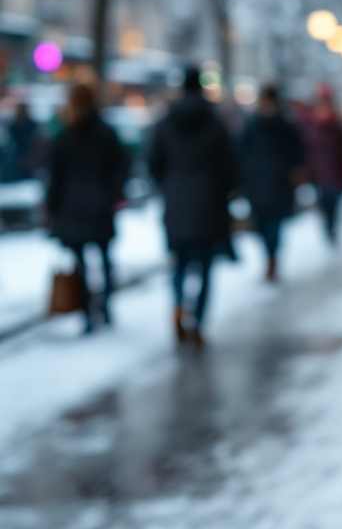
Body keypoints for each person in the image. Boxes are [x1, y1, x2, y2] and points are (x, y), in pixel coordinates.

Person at [147, 67, 238, 346]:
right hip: (209, 203)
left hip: (176, 203)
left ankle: (177, 304)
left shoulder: (165, 122)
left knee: (179, 263)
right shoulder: (215, 123)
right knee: (206, 267)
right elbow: (229, 166)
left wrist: (169, 187)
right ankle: (197, 321)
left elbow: (153, 162)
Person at [45, 84, 129, 334]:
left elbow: (55, 177)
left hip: (73, 208)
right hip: (99, 206)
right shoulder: (105, 132)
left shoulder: (65, 134)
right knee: (104, 260)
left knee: (80, 263)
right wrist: (111, 193)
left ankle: (88, 313)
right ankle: (104, 306)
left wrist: (52, 208)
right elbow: (122, 165)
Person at [240, 86, 305, 281]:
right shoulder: (251, 127)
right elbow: (241, 153)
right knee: (261, 227)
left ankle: (272, 260)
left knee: (275, 227)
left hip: (279, 186)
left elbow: (297, 153)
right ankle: (268, 256)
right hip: (257, 186)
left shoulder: (286, 127)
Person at [305, 89, 342, 244]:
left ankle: (332, 228)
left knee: (334, 205)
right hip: (319, 175)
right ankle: (327, 228)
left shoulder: (338, 129)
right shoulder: (312, 128)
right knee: (324, 205)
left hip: (336, 174)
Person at [3, 103, 42, 181]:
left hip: (29, 162)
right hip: (16, 162)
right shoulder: (13, 127)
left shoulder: (33, 126)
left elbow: (37, 144)